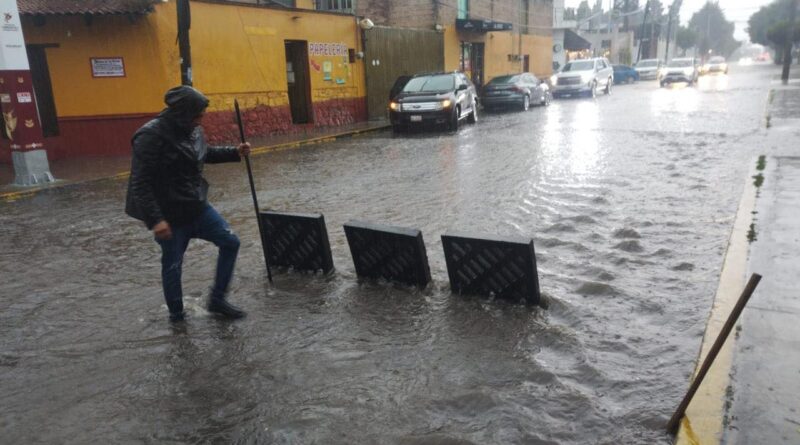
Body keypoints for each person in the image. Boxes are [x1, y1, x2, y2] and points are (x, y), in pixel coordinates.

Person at [125, 86, 251, 322]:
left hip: (196, 206)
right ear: (183, 113)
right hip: (169, 215)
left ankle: (217, 300)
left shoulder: (193, 130)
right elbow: (139, 183)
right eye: (197, 116)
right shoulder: (150, 136)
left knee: (230, 242)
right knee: (173, 265)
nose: (201, 121)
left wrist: (234, 152)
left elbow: (203, 154)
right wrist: (156, 220)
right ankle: (177, 316)